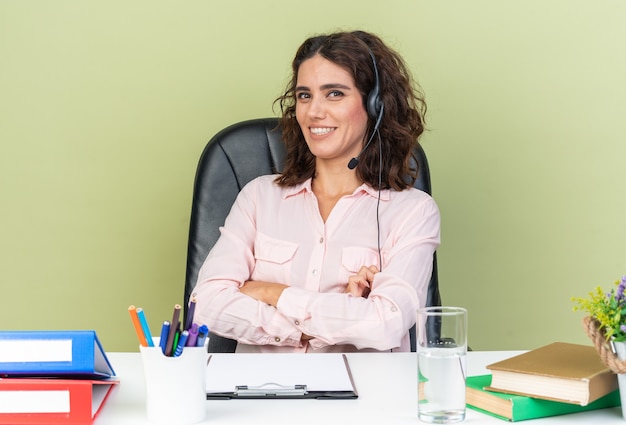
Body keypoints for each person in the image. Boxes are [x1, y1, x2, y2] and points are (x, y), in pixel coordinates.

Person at [192, 30, 440, 353]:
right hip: (259, 396)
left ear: (375, 106)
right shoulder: (258, 198)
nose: (313, 112)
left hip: (364, 398)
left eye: (334, 93)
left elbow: (385, 324)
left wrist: (271, 293)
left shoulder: (412, 212)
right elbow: (205, 304)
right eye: (305, 95)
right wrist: (316, 326)